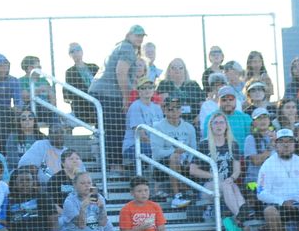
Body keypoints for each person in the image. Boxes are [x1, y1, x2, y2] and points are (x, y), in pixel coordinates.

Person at [89, 24, 146, 172]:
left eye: (141, 36)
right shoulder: (127, 48)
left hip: (102, 93)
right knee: (115, 128)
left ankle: (113, 163)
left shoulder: (122, 47)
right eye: (137, 35)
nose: (139, 38)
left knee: (112, 128)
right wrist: (126, 98)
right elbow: (121, 72)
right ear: (129, 35)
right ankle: (114, 164)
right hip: (107, 94)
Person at [189, 111, 245, 230]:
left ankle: (241, 216)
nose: (219, 126)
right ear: (211, 126)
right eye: (216, 123)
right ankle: (240, 216)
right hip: (207, 187)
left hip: (227, 184)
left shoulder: (233, 144)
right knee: (227, 186)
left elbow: (237, 170)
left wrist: (231, 178)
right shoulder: (204, 144)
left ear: (226, 125)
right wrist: (214, 175)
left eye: (221, 122)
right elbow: (192, 170)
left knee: (233, 186)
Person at [256, 128, 299, 231]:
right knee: (269, 211)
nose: (286, 145)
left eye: (289, 141)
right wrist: (282, 202)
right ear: (276, 145)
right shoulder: (268, 164)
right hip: (279, 206)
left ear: (294, 144)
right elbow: (261, 193)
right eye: (282, 142)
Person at [151, 95, 198, 208]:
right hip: (163, 166)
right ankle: (177, 196)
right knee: (174, 157)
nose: (174, 111)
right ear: (164, 110)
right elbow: (157, 153)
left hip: (185, 164)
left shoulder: (189, 127)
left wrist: (189, 161)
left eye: (177, 108)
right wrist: (174, 151)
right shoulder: (158, 127)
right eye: (170, 109)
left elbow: (194, 149)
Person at [155, 58, 203, 127]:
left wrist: (198, 117)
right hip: (170, 122)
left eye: (180, 68)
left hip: (192, 122)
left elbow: (202, 104)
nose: (177, 70)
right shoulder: (164, 84)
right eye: (173, 68)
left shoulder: (193, 85)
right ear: (169, 70)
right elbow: (161, 105)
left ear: (185, 70)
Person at [64, 42, 99, 124]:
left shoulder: (94, 67)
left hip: (98, 99)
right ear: (70, 55)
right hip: (82, 104)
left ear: (82, 52)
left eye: (78, 50)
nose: (76, 53)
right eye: (72, 51)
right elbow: (70, 93)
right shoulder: (70, 72)